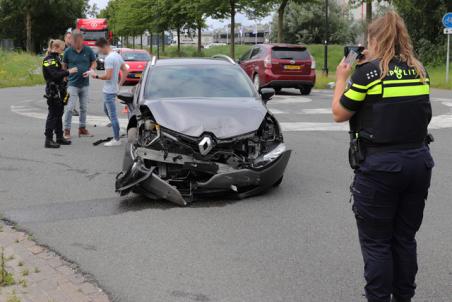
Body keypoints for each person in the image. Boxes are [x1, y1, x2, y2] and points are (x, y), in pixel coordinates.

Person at [331, 11, 434, 302]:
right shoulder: (420, 69)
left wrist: (342, 77)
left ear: (374, 40)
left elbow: (339, 113)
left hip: (381, 168)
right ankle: (404, 297)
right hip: (418, 162)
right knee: (404, 238)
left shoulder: (367, 74)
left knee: (377, 243)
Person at [89, 38, 129, 146]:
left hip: (109, 91)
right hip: (112, 89)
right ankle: (118, 130)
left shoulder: (109, 59)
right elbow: (126, 70)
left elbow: (108, 76)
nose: (99, 52)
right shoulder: (117, 55)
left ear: (104, 46)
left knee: (112, 115)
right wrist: (119, 84)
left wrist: (95, 75)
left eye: (99, 49)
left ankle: (116, 139)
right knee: (105, 110)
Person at [42, 39, 78, 148]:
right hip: (53, 90)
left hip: (60, 90)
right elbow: (54, 74)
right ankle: (48, 140)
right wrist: (68, 72)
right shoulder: (49, 59)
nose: (63, 51)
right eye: (62, 49)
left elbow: (60, 73)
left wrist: (65, 77)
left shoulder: (57, 58)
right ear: (56, 47)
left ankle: (59, 137)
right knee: (53, 115)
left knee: (59, 114)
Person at [62, 29, 96, 140]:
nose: (76, 44)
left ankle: (82, 129)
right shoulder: (68, 51)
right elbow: (64, 65)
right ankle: (66, 130)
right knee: (70, 108)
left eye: (78, 41)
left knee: (84, 108)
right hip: (72, 84)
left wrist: (91, 70)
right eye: (74, 41)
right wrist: (65, 76)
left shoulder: (88, 50)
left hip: (85, 84)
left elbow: (94, 62)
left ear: (81, 39)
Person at [63, 30, 80, 117]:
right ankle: (67, 109)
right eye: (69, 38)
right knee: (65, 92)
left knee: (72, 92)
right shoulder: (62, 49)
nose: (70, 40)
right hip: (63, 75)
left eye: (71, 38)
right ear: (65, 38)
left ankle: (72, 108)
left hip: (72, 75)